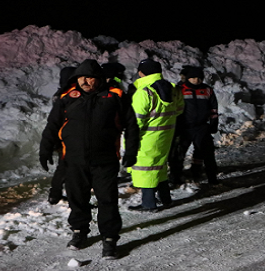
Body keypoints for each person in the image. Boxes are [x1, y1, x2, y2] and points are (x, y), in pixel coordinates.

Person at [39, 59, 139, 260]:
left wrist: (131, 152)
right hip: (74, 160)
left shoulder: (115, 96)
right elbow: (52, 125)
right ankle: (79, 232)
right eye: (81, 77)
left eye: (90, 77)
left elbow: (131, 125)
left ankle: (109, 239)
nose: (85, 81)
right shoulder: (67, 98)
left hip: (105, 160)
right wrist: (45, 149)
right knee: (77, 199)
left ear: (99, 79)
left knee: (107, 201)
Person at [126, 59, 184, 211]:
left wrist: (131, 139)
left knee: (146, 168)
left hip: (147, 138)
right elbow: (179, 110)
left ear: (140, 73)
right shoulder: (173, 89)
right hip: (166, 135)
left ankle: (149, 203)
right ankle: (166, 199)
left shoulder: (144, 92)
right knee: (160, 166)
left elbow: (136, 121)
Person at [169, 66, 220, 188]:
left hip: (201, 127)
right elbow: (172, 107)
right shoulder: (179, 89)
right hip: (183, 127)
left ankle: (210, 178)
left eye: (198, 78)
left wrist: (214, 123)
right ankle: (175, 178)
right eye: (192, 77)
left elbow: (213, 108)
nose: (196, 80)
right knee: (178, 153)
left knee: (207, 153)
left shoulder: (207, 90)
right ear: (188, 78)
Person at [47, 66, 77, 205]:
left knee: (63, 166)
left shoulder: (59, 93)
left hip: (61, 135)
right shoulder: (71, 94)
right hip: (70, 136)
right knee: (72, 167)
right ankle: (72, 198)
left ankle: (55, 194)